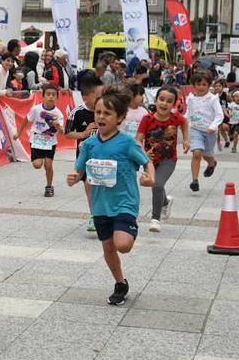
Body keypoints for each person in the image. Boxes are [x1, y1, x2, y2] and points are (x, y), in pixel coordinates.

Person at [67, 85, 155, 305]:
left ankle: (129, 228)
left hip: (125, 202)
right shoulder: (88, 144)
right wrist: (74, 177)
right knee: (108, 247)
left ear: (120, 118)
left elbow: (147, 162)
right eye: (98, 112)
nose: (101, 116)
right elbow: (79, 169)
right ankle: (120, 283)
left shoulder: (127, 143)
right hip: (100, 205)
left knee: (122, 245)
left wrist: (149, 177)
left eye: (107, 113)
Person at [138, 86, 188, 233]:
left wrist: (186, 139)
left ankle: (155, 219)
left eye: (169, 101)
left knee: (157, 184)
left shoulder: (175, 118)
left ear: (173, 105)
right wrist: (143, 154)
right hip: (150, 159)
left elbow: (184, 123)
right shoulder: (147, 119)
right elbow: (139, 139)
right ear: (155, 100)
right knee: (158, 185)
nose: (164, 103)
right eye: (161, 99)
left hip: (169, 159)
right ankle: (165, 202)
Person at [67, 75, 104, 233]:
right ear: (85, 97)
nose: (100, 99)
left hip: (105, 156)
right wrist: (84, 134)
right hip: (86, 157)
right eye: (97, 96)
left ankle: (104, 214)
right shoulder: (77, 113)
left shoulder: (106, 111)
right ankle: (94, 216)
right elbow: (67, 133)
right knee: (89, 185)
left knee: (103, 187)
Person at [18, 83, 64, 197]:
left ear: (57, 98)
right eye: (48, 94)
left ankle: (49, 186)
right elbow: (26, 119)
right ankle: (40, 158)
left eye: (53, 95)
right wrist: (18, 133)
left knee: (48, 164)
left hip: (50, 141)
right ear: (43, 96)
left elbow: (63, 131)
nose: (51, 97)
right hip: (36, 139)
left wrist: (58, 126)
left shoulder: (58, 113)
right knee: (37, 165)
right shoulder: (36, 109)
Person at [186, 72, 222, 192]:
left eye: (204, 84)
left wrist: (213, 126)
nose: (201, 87)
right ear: (193, 85)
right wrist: (181, 121)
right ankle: (195, 181)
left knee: (207, 155)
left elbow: (219, 115)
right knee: (197, 153)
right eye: (198, 84)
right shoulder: (190, 98)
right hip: (195, 129)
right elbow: (188, 113)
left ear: (208, 85)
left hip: (209, 131)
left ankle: (212, 163)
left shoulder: (212, 99)